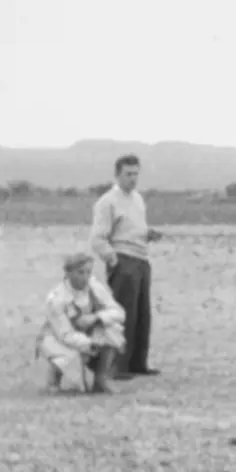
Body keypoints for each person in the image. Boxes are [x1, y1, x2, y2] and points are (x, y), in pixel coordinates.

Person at [90, 154, 163, 380]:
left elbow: (133, 228)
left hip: (141, 259)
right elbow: (98, 238)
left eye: (135, 174)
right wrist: (113, 260)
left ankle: (137, 363)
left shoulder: (138, 200)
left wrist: (147, 234)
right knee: (124, 315)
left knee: (142, 316)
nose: (133, 179)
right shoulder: (107, 202)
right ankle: (116, 366)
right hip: (123, 260)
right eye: (128, 174)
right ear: (117, 175)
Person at [36, 252, 126, 395]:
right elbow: (64, 334)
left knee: (113, 331)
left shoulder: (93, 285)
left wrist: (96, 317)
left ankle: (101, 378)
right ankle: (53, 380)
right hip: (57, 337)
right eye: (80, 272)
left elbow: (119, 313)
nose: (85, 277)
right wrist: (89, 344)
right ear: (68, 273)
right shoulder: (57, 298)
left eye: (88, 272)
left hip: (84, 331)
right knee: (69, 355)